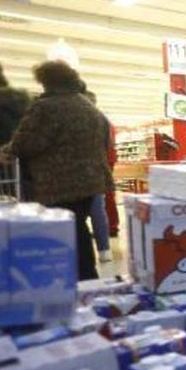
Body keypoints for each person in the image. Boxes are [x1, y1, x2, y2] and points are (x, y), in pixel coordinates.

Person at [1, 61, 113, 281]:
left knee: (64, 230)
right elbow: (104, 140)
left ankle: (70, 279)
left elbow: (29, 142)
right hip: (91, 180)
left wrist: (7, 150)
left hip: (59, 181)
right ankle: (87, 276)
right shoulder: (87, 105)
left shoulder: (46, 107)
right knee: (78, 227)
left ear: (45, 81)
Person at [81, 86, 117, 263]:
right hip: (98, 170)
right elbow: (108, 146)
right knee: (98, 209)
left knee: (78, 212)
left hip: (79, 170)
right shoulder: (104, 120)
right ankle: (104, 250)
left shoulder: (77, 118)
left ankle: (83, 251)